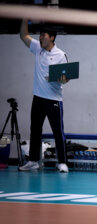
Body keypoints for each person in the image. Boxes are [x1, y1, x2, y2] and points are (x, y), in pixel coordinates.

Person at [19, 19, 70, 172]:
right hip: (38, 98)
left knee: (57, 131)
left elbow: (66, 77)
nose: (41, 38)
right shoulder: (37, 48)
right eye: (40, 35)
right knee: (35, 130)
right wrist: (24, 18)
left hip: (54, 99)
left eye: (44, 35)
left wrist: (63, 79)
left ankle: (62, 162)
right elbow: (23, 35)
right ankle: (33, 161)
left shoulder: (61, 55)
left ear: (52, 38)